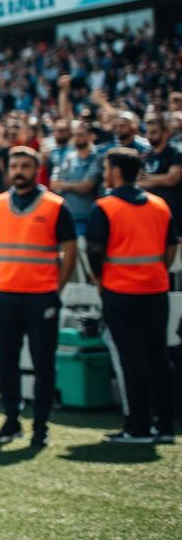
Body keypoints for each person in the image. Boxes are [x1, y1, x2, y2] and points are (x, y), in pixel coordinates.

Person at [0, 146, 77, 447]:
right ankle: (11, 420)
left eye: (25, 165)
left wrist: (55, 288)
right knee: (7, 361)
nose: (19, 171)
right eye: (15, 165)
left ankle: (41, 424)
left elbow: (70, 249)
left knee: (43, 362)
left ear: (36, 170)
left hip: (41, 297)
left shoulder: (55, 205)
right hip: (4, 294)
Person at [86, 148, 177, 444]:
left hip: (120, 291)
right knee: (159, 356)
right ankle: (164, 425)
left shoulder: (105, 207)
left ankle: (138, 426)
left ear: (114, 172)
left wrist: (100, 280)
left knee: (132, 359)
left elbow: (95, 251)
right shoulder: (159, 205)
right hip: (156, 288)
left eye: (106, 169)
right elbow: (170, 246)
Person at [139, 113, 182, 234]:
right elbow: (139, 182)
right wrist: (157, 179)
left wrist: (149, 179)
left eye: (154, 132)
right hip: (149, 212)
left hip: (173, 212)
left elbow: (172, 179)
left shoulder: (176, 153)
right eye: (147, 132)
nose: (149, 136)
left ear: (166, 132)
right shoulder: (145, 155)